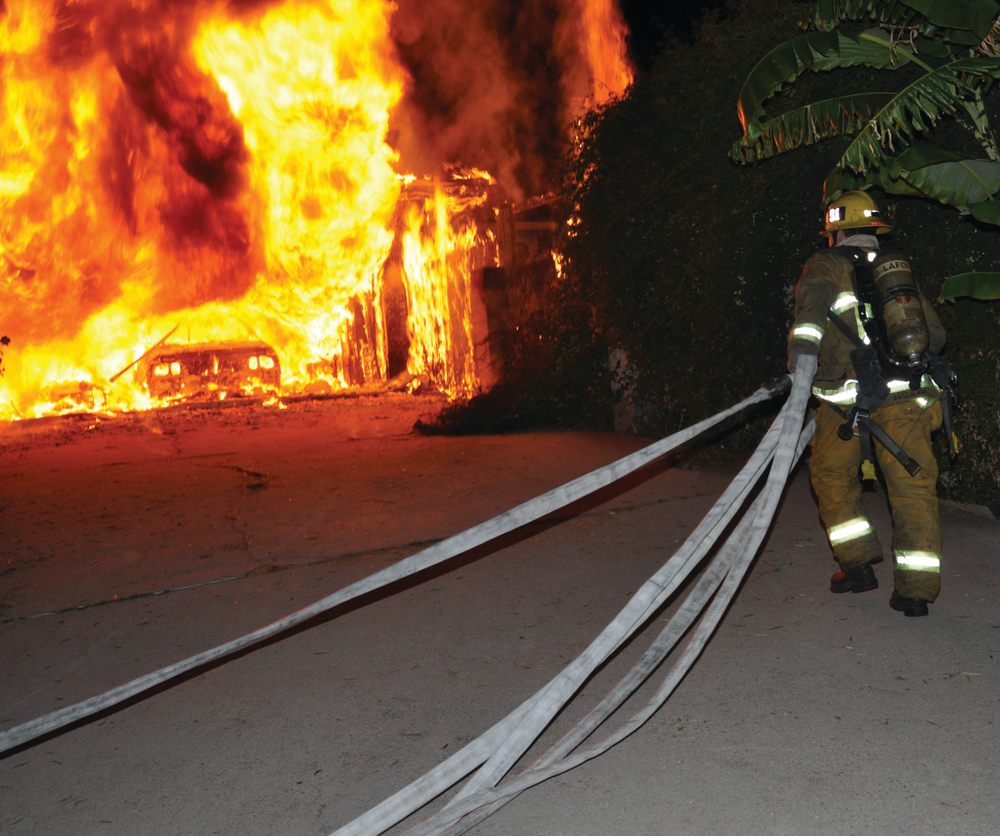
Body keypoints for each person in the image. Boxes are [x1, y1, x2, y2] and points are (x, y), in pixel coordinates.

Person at [788, 190, 947, 618]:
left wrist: (800, 368)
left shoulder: (824, 265)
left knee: (831, 477)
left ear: (833, 233)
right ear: (877, 228)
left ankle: (857, 567)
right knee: (912, 490)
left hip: (845, 404)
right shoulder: (898, 272)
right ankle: (915, 593)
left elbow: (808, 320)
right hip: (906, 397)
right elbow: (936, 336)